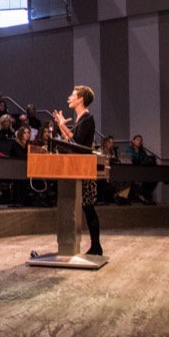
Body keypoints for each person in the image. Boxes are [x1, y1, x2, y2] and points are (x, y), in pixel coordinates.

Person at [53, 85, 102, 256]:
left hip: (85, 168)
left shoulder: (87, 118)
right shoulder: (82, 118)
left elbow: (78, 145)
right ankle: (96, 246)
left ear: (81, 99)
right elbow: (70, 139)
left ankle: (97, 246)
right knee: (87, 208)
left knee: (89, 208)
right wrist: (61, 125)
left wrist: (62, 126)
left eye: (73, 94)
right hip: (80, 167)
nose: (70, 97)